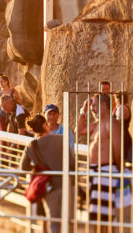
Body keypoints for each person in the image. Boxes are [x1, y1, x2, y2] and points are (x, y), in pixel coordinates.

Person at [76, 94, 126, 224]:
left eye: (94, 106)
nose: (93, 109)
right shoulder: (98, 124)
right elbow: (79, 130)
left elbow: (118, 150)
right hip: (95, 172)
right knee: (95, 215)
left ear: (104, 105)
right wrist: (83, 110)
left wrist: (119, 171)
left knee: (104, 216)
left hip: (105, 172)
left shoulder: (112, 123)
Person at [21, 114, 75, 233]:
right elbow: (72, 162)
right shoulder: (61, 139)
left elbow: (23, 167)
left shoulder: (31, 146)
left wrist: (37, 166)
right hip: (68, 185)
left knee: (54, 222)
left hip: (49, 187)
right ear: (44, 125)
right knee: (69, 221)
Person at [113, 92, 132, 164]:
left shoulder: (121, 108)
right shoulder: (124, 107)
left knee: (121, 162)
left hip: (121, 137)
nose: (114, 100)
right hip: (123, 136)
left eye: (115, 98)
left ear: (118, 99)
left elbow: (118, 124)